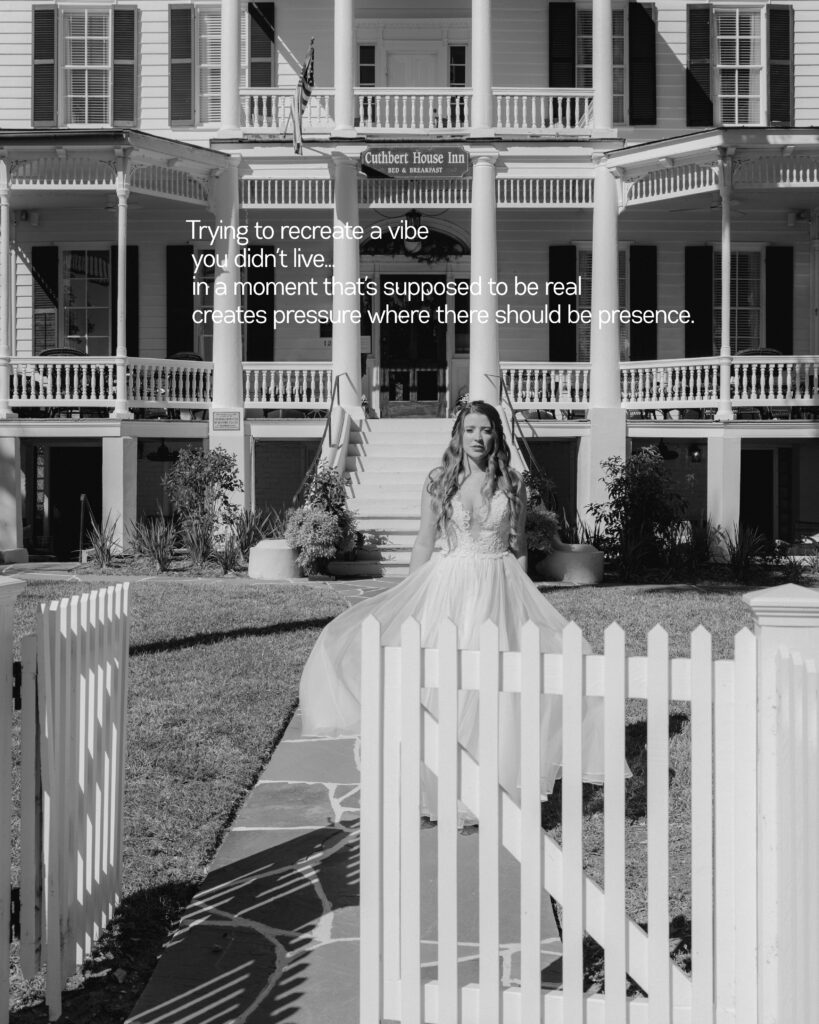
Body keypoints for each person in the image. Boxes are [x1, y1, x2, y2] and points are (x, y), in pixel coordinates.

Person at [298, 400, 607, 816]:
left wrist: (525, 597)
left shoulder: (513, 483)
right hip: (450, 585)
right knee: (442, 683)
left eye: (486, 430)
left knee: (495, 687)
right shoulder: (439, 481)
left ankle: (488, 788)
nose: (479, 438)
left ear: (497, 435)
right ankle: (433, 787)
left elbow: (516, 549)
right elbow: (425, 541)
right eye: (471, 430)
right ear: (459, 435)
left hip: (499, 584)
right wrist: (412, 592)